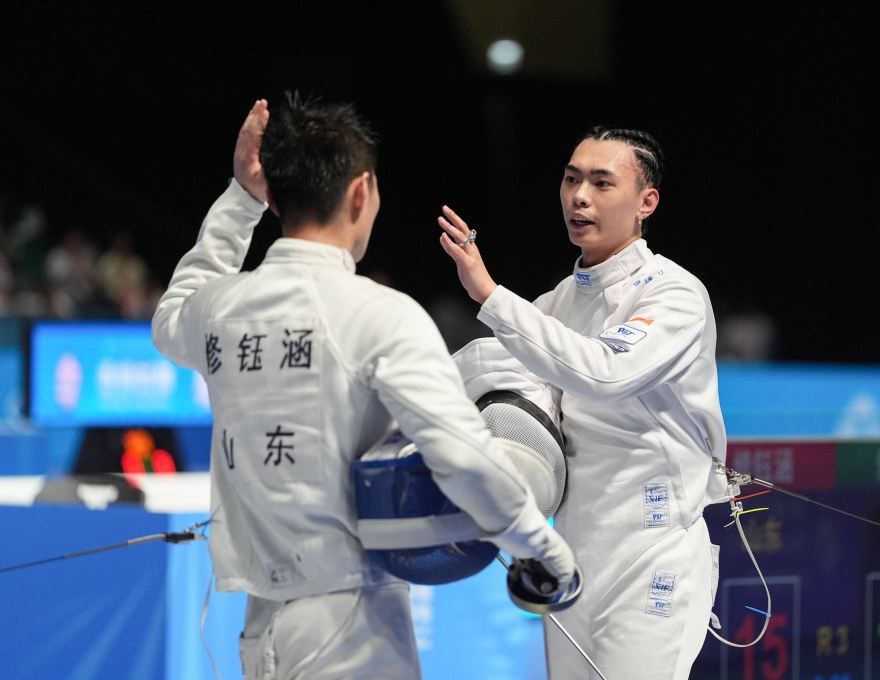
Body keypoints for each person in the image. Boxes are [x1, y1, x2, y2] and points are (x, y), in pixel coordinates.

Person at [152, 95, 575, 679]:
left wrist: (239, 198)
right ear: (361, 192)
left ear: (273, 195)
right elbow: (463, 459)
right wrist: (544, 549)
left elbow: (172, 311)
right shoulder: (382, 316)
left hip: (258, 629)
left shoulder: (219, 308)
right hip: (352, 629)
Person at [439, 126, 728, 679]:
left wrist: (490, 294)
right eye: (572, 179)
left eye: (601, 182)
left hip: (651, 552)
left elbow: (605, 370)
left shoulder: (674, 294)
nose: (580, 196)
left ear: (647, 202)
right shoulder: (557, 302)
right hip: (570, 554)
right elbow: (488, 364)